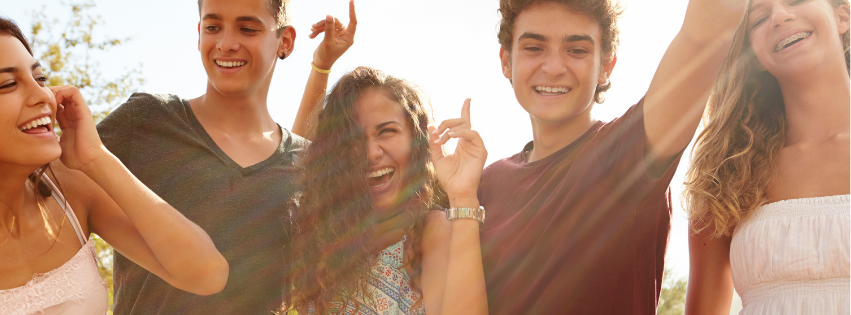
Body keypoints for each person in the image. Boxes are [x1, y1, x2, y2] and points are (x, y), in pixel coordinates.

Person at [476, 0, 747, 313]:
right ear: (506, 61)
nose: (552, 67)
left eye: (576, 50)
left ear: (606, 66)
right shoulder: (485, 183)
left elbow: (709, 27)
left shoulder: (626, 154)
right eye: (534, 48)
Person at [95, 0, 357, 313]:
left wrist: (322, 66)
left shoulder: (302, 161)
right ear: (198, 34)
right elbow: (47, 194)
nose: (226, 44)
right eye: (213, 27)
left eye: (247, 29)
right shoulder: (146, 121)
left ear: (285, 41)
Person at [0, 17, 228, 315]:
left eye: (40, 78)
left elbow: (207, 275)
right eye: (7, 84)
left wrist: (97, 158)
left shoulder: (69, 186)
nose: (42, 95)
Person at [683, 0, 850, 313]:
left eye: (796, 0)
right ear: (755, 57)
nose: (780, 16)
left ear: (843, 16)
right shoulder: (727, 174)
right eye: (759, 19)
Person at [282, 66, 488, 315]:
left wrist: (463, 196)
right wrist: (320, 65)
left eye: (387, 131)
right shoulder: (322, 241)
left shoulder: (432, 231)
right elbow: (297, 155)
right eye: (352, 140)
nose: (371, 153)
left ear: (416, 139)